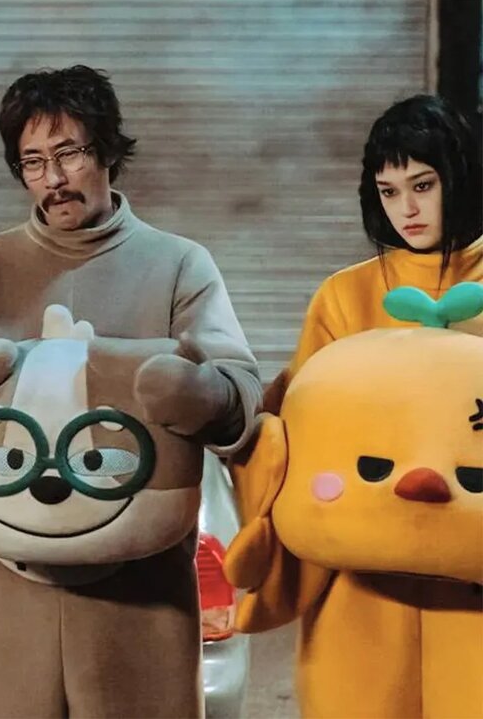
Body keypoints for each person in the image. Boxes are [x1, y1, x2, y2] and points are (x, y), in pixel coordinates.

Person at [0, 65, 261, 716]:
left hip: (136, 601)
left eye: (69, 154)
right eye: (33, 162)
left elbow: (241, 398)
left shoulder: (178, 263)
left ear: (107, 150)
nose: (53, 178)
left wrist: (201, 393)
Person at [230, 93, 483, 717]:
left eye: (423, 185)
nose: (407, 209)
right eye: (389, 191)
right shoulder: (345, 295)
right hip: (359, 591)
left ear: (461, 177)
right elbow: (299, 433)